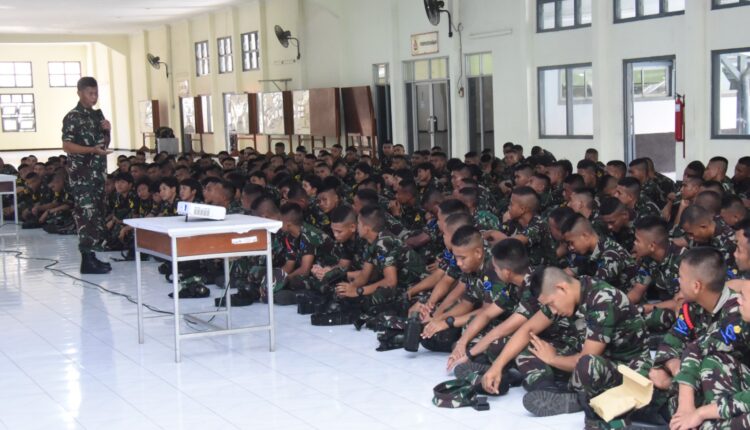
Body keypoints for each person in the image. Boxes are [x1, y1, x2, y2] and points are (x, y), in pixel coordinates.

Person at [61, 76, 113, 274]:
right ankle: (86, 259)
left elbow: (103, 144)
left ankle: (92, 256)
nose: (94, 97)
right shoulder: (72, 117)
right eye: (90, 93)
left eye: (96, 93)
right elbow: (67, 145)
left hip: (97, 174)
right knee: (85, 215)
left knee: (97, 213)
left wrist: (108, 131)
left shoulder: (96, 115)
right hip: (82, 176)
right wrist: (91, 150)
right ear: (79, 93)